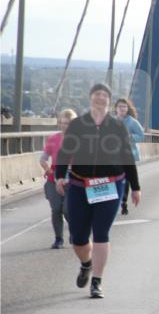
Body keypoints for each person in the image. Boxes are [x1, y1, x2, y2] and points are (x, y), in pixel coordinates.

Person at [54, 83, 141, 298]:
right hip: (79, 185)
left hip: (110, 185)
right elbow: (65, 152)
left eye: (105, 95)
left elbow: (127, 158)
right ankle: (86, 263)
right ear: (91, 97)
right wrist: (58, 177)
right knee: (79, 237)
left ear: (109, 101)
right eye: (97, 94)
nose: (101, 98)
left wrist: (136, 187)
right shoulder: (78, 124)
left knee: (101, 233)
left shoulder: (117, 126)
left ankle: (97, 281)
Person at [39, 108, 76, 249]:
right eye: (60, 122)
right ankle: (58, 239)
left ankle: (74, 232)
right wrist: (46, 168)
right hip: (53, 179)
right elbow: (43, 158)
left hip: (72, 179)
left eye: (66, 123)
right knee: (56, 209)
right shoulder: (53, 138)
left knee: (67, 209)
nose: (63, 125)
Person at [114, 98, 144, 215]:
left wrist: (130, 137)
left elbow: (141, 136)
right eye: (120, 106)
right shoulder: (111, 121)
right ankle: (116, 199)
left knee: (125, 179)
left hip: (128, 154)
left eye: (124, 106)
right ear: (115, 108)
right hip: (113, 155)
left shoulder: (132, 122)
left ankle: (123, 201)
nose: (122, 109)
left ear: (128, 109)